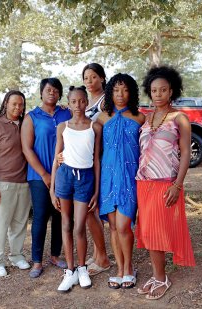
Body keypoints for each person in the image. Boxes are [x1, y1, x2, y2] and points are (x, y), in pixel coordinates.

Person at [135, 65, 196, 300]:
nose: (158, 94)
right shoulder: (146, 118)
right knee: (149, 232)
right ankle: (157, 275)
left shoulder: (180, 118)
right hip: (144, 183)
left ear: (171, 91)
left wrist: (177, 185)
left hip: (165, 184)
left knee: (158, 231)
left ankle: (161, 278)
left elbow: (185, 154)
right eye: (154, 90)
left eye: (163, 90)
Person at [50, 85, 102, 292]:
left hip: (85, 178)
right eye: (74, 101)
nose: (78, 105)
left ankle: (82, 268)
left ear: (86, 102)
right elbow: (57, 158)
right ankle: (70, 271)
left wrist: (96, 191)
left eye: (82, 101)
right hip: (65, 177)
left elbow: (96, 160)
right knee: (66, 225)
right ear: (69, 103)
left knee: (80, 226)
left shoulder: (95, 127)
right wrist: (52, 189)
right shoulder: (63, 126)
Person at [97, 73, 145, 289]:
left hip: (130, 178)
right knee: (114, 228)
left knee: (124, 225)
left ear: (131, 93)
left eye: (125, 90)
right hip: (108, 177)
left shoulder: (140, 118)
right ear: (110, 92)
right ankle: (119, 269)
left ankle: (129, 267)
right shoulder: (101, 118)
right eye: (116, 90)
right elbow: (89, 146)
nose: (120, 94)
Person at [21, 77, 72, 278]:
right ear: (41, 92)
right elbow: (27, 148)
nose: (52, 93)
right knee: (41, 217)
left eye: (56, 90)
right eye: (48, 90)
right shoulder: (31, 117)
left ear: (59, 94)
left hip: (64, 174)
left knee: (60, 215)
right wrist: (44, 174)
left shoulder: (66, 113)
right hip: (38, 176)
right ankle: (36, 261)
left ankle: (55, 255)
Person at [0, 90, 32, 277]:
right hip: (2, 183)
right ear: (6, 104)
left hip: (23, 182)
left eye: (20, 104)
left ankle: (16, 255)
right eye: (14, 104)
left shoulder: (25, 123)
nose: (17, 107)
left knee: (19, 223)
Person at [81, 63, 112, 275]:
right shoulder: (84, 102)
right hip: (85, 159)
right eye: (86, 78)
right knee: (92, 210)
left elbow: (109, 124)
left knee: (92, 209)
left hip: (100, 158)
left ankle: (102, 257)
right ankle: (97, 252)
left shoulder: (105, 101)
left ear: (102, 78)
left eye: (93, 77)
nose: (90, 82)